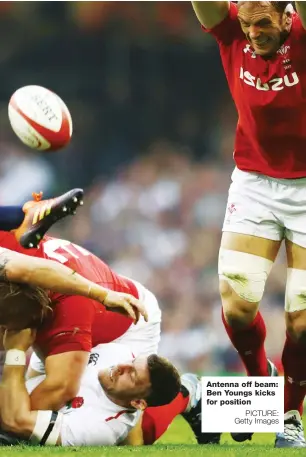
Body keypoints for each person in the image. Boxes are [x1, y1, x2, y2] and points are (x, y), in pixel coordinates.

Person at [191, 0, 306, 448]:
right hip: (255, 182)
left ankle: (291, 416)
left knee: (301, 322)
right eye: (246, 23)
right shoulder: (232, 31)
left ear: (286, 16)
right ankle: (262, 384)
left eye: (263, 23)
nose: (253, 32)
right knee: (237, 307)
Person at [0, 230, 205, 447]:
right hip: (84, 304)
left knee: (125, 434)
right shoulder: (9, 244)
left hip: (127, 321)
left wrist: (15, 353)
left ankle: (189, 393)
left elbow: (28, 410)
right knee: (21, 397)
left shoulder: (69, 316)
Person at [0, 328, 181, 446]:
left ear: (138, 402)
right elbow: (43, 366)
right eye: (132, 361)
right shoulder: (118, 352)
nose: (121, 367)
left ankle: (194, 392)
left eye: (132, 374)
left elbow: (15, 422)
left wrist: (16, 352)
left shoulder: (97, 429)